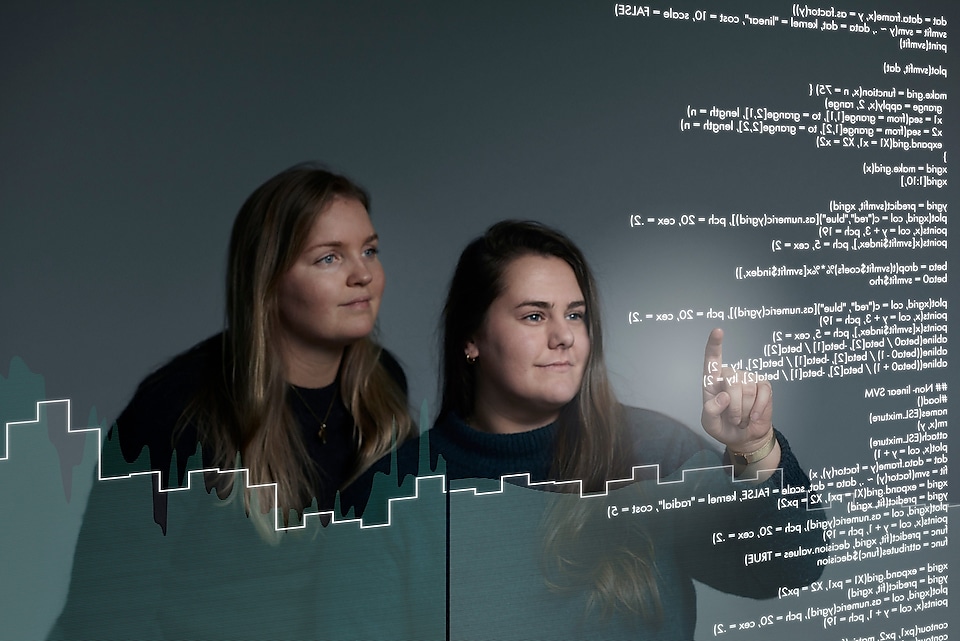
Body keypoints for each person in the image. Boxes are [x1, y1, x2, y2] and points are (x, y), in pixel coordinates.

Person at [372, 219, 826, 639]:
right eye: (534, 316)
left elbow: (786, 568)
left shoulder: (654, 452)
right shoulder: (397, 492)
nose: (564, 336)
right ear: (471, 339)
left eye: (575, 315)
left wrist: (754, 448)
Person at [49, 164, 417, 639]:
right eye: (329, 258)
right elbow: (105, 613)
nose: (363, 275)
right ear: (268, 278)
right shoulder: (176, 409)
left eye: (370, 250)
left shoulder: (382, 386)